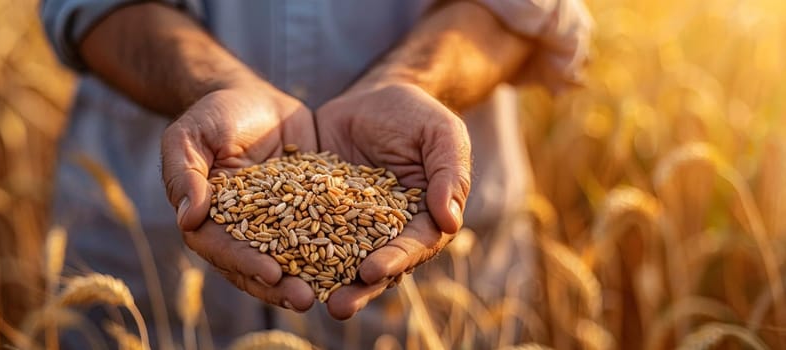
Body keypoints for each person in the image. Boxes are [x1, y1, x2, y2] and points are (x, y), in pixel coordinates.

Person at [41, 0, 590, 348]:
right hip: (147, 269)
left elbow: (530, 9)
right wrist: (211, 86)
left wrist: (415, 80)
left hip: (449, 294)